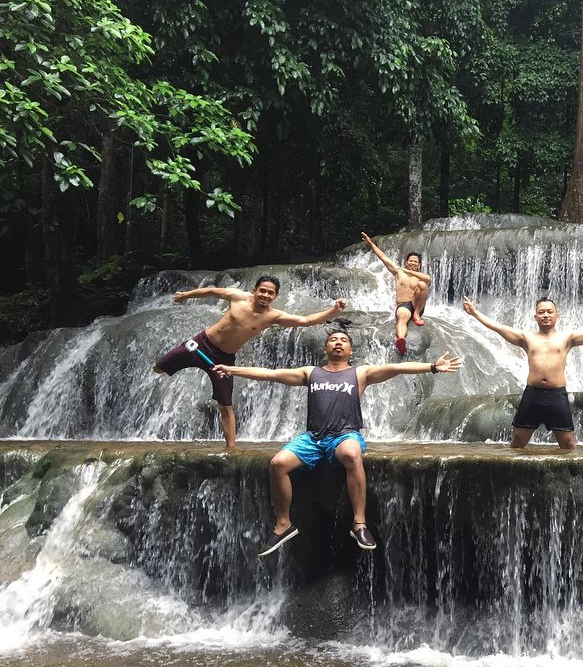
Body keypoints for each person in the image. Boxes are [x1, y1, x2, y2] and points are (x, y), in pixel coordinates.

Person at [213, 326, 463, 556]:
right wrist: (232, 369)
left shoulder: (360, 373)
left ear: (351, 350)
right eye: (333, 340)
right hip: (313, 438)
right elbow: (270, 374)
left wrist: (432, 367)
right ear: (326, 348)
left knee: (352, 454)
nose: (338, 343)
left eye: (343, 340)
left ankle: (359, 523)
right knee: (278, 463)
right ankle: (283, 524)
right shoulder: (310, 373)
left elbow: (396, 368)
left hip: (345, 435)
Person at [153, 275, 347, 449]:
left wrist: (333, 310)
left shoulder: (273, 316)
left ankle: (231, 449)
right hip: (200, 345)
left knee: (225, 406)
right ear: (254, 290)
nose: (265, 295)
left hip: (223, 360)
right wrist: (186, 295)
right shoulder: (237, 297)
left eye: (270, 293)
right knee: (158, 368)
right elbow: (212, 290)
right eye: (262, 290)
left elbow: (305, 320)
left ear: (275, 297)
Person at [463, 296, 583, 450]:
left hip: (557, 395)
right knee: (517, 441)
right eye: (541, 312)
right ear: (535, 317)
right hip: (532, 395)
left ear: (557, 315)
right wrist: (475, 313)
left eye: (549, 312)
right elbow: (498, 327)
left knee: (569, 444)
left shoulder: (567, 338)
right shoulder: (526, 338)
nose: (545, 315)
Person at [360, 231, 432, 355]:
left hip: (417, 305)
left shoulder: (420, 277)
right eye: (411, 261)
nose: (413, 263)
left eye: (415, 262)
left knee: (422, 285)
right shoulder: (398, 272)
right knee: (402, 317)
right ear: (406, 262)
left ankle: (416, 315)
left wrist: (408, 271)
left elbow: (428, 279)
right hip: (404, 305)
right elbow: (384, 258)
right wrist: (371, 244)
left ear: (419, 265)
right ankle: (401, 340)